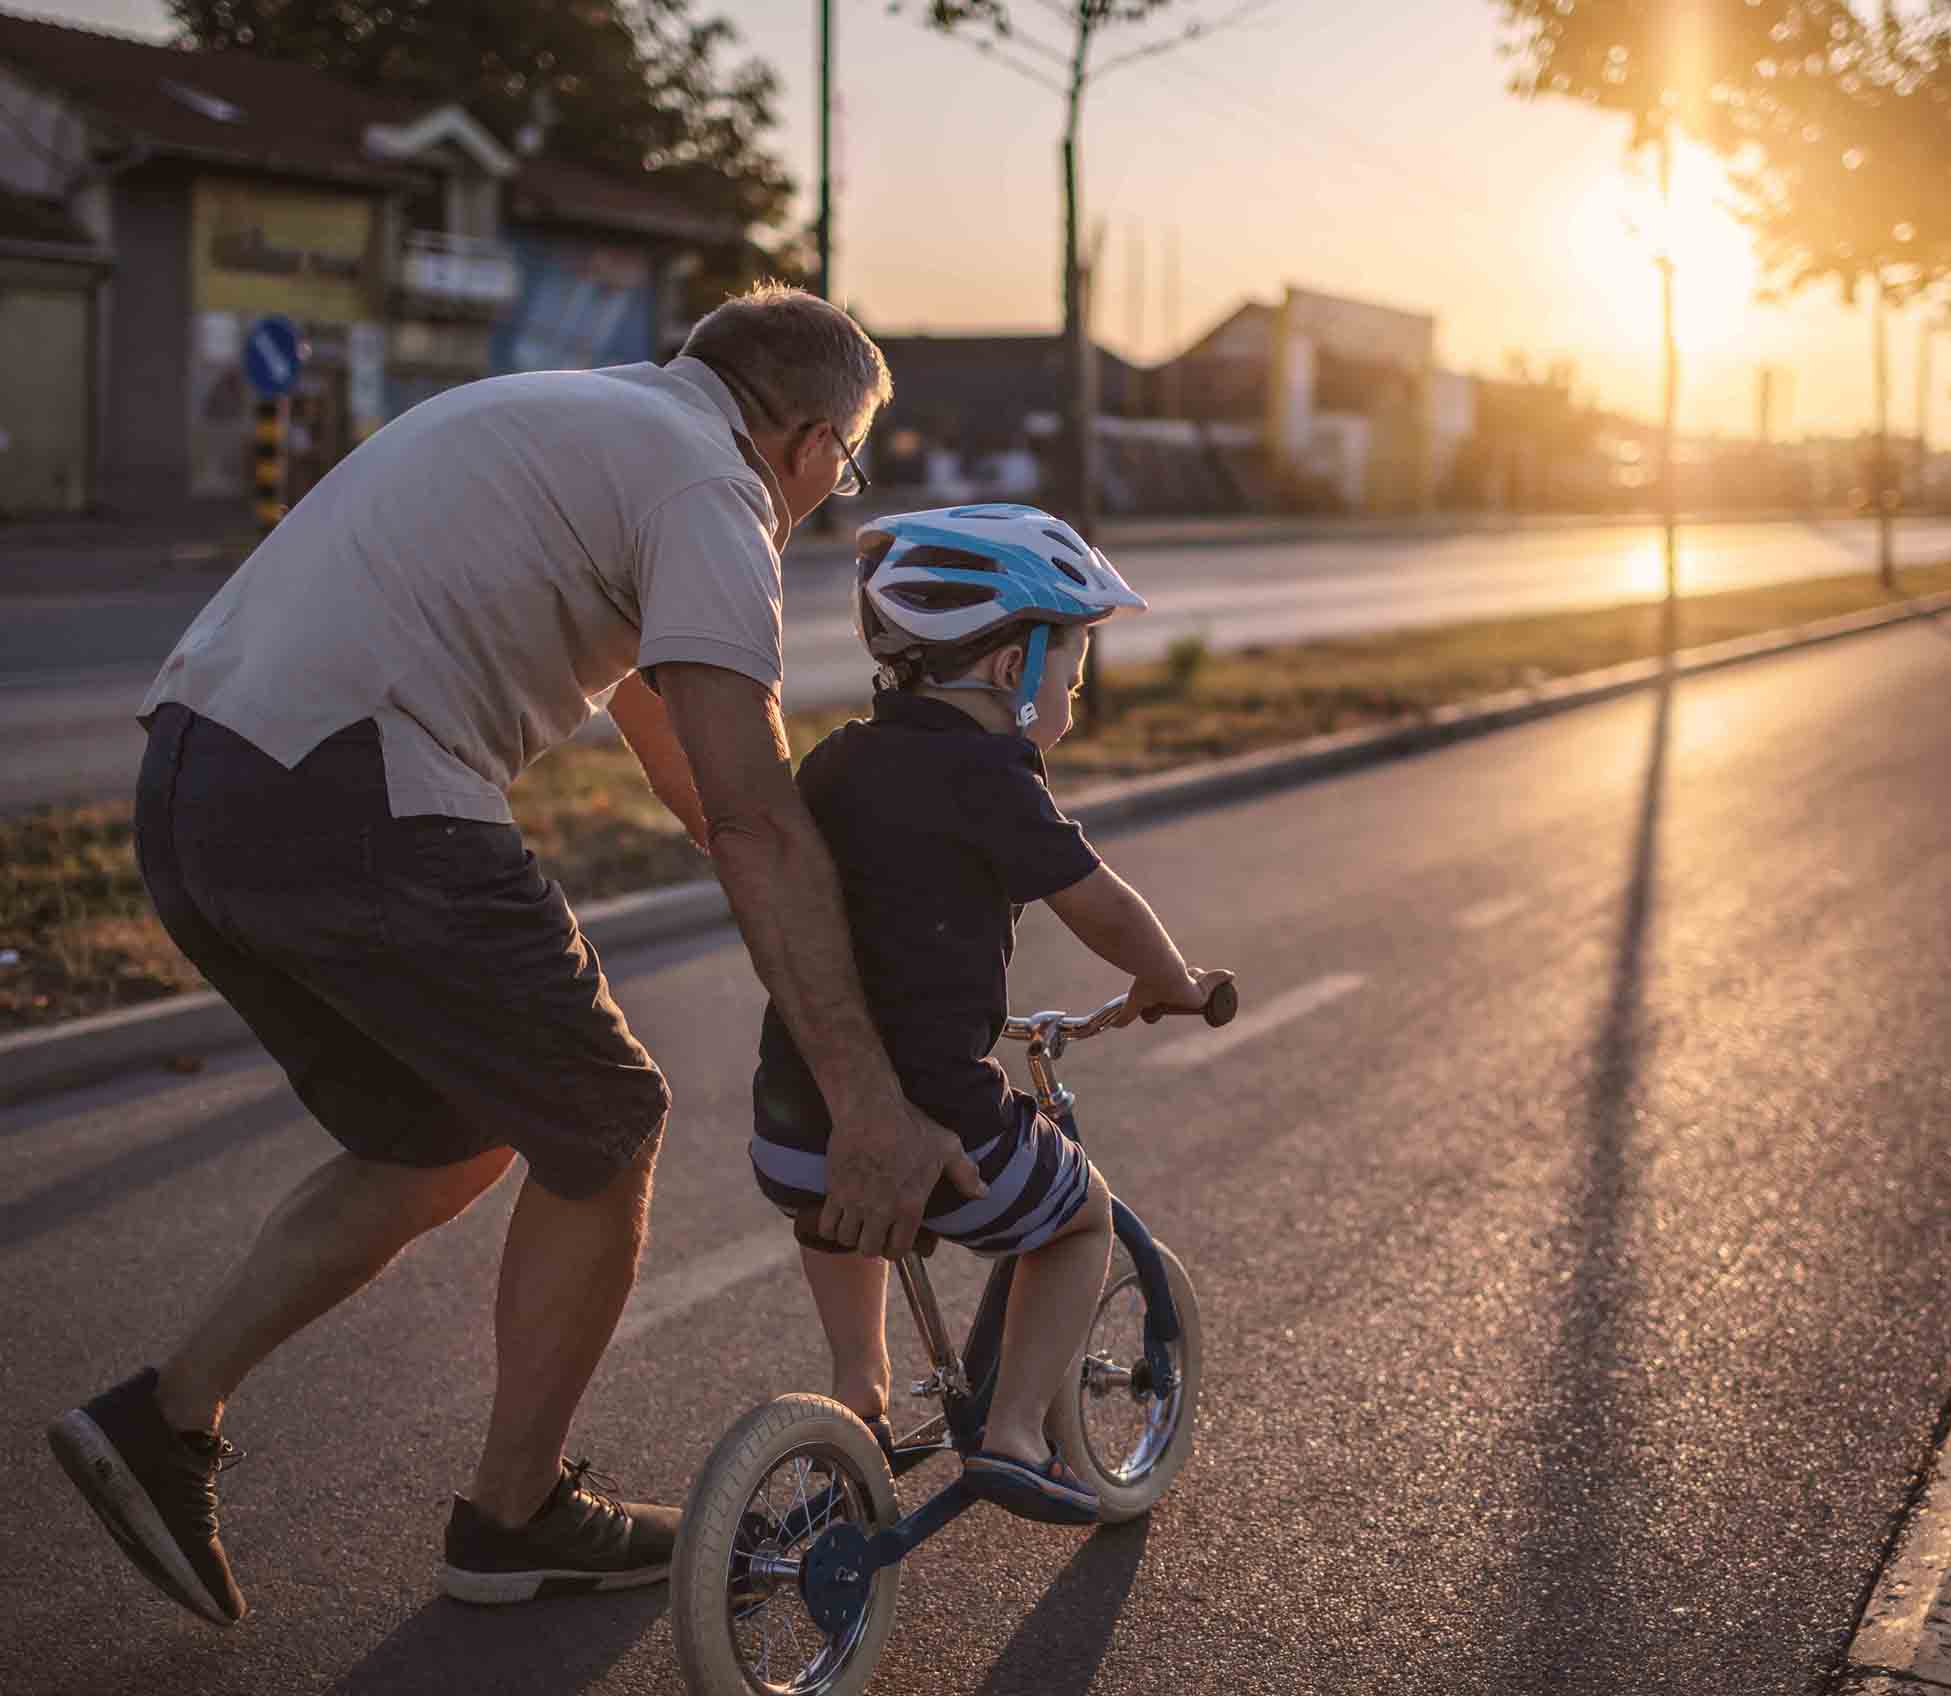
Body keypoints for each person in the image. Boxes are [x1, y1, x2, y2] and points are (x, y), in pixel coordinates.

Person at [47, 284, 985, 1627]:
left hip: (195, 786)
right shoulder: (709, 490)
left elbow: (705, 791)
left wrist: (836, 946)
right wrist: (868, 1098)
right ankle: (513, 1514)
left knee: (447, 1134)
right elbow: (754, 823)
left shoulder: (575, 422)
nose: (825, 502)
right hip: (355, 790)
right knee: (608, 1122)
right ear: (803, 436)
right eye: (843, 468)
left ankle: (164, 1415)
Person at [748, 505, 1229, 1523]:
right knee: (1076, 1217)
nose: (1076, 690)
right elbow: (1096, 897)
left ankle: (857, 1393)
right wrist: (1169, 978)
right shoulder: (990, 775)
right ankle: (1013, 1434)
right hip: (935, 1120)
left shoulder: (836, 759)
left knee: (836, 1212)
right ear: (1013, 670)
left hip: (790, 1119)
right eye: (1073, 667)